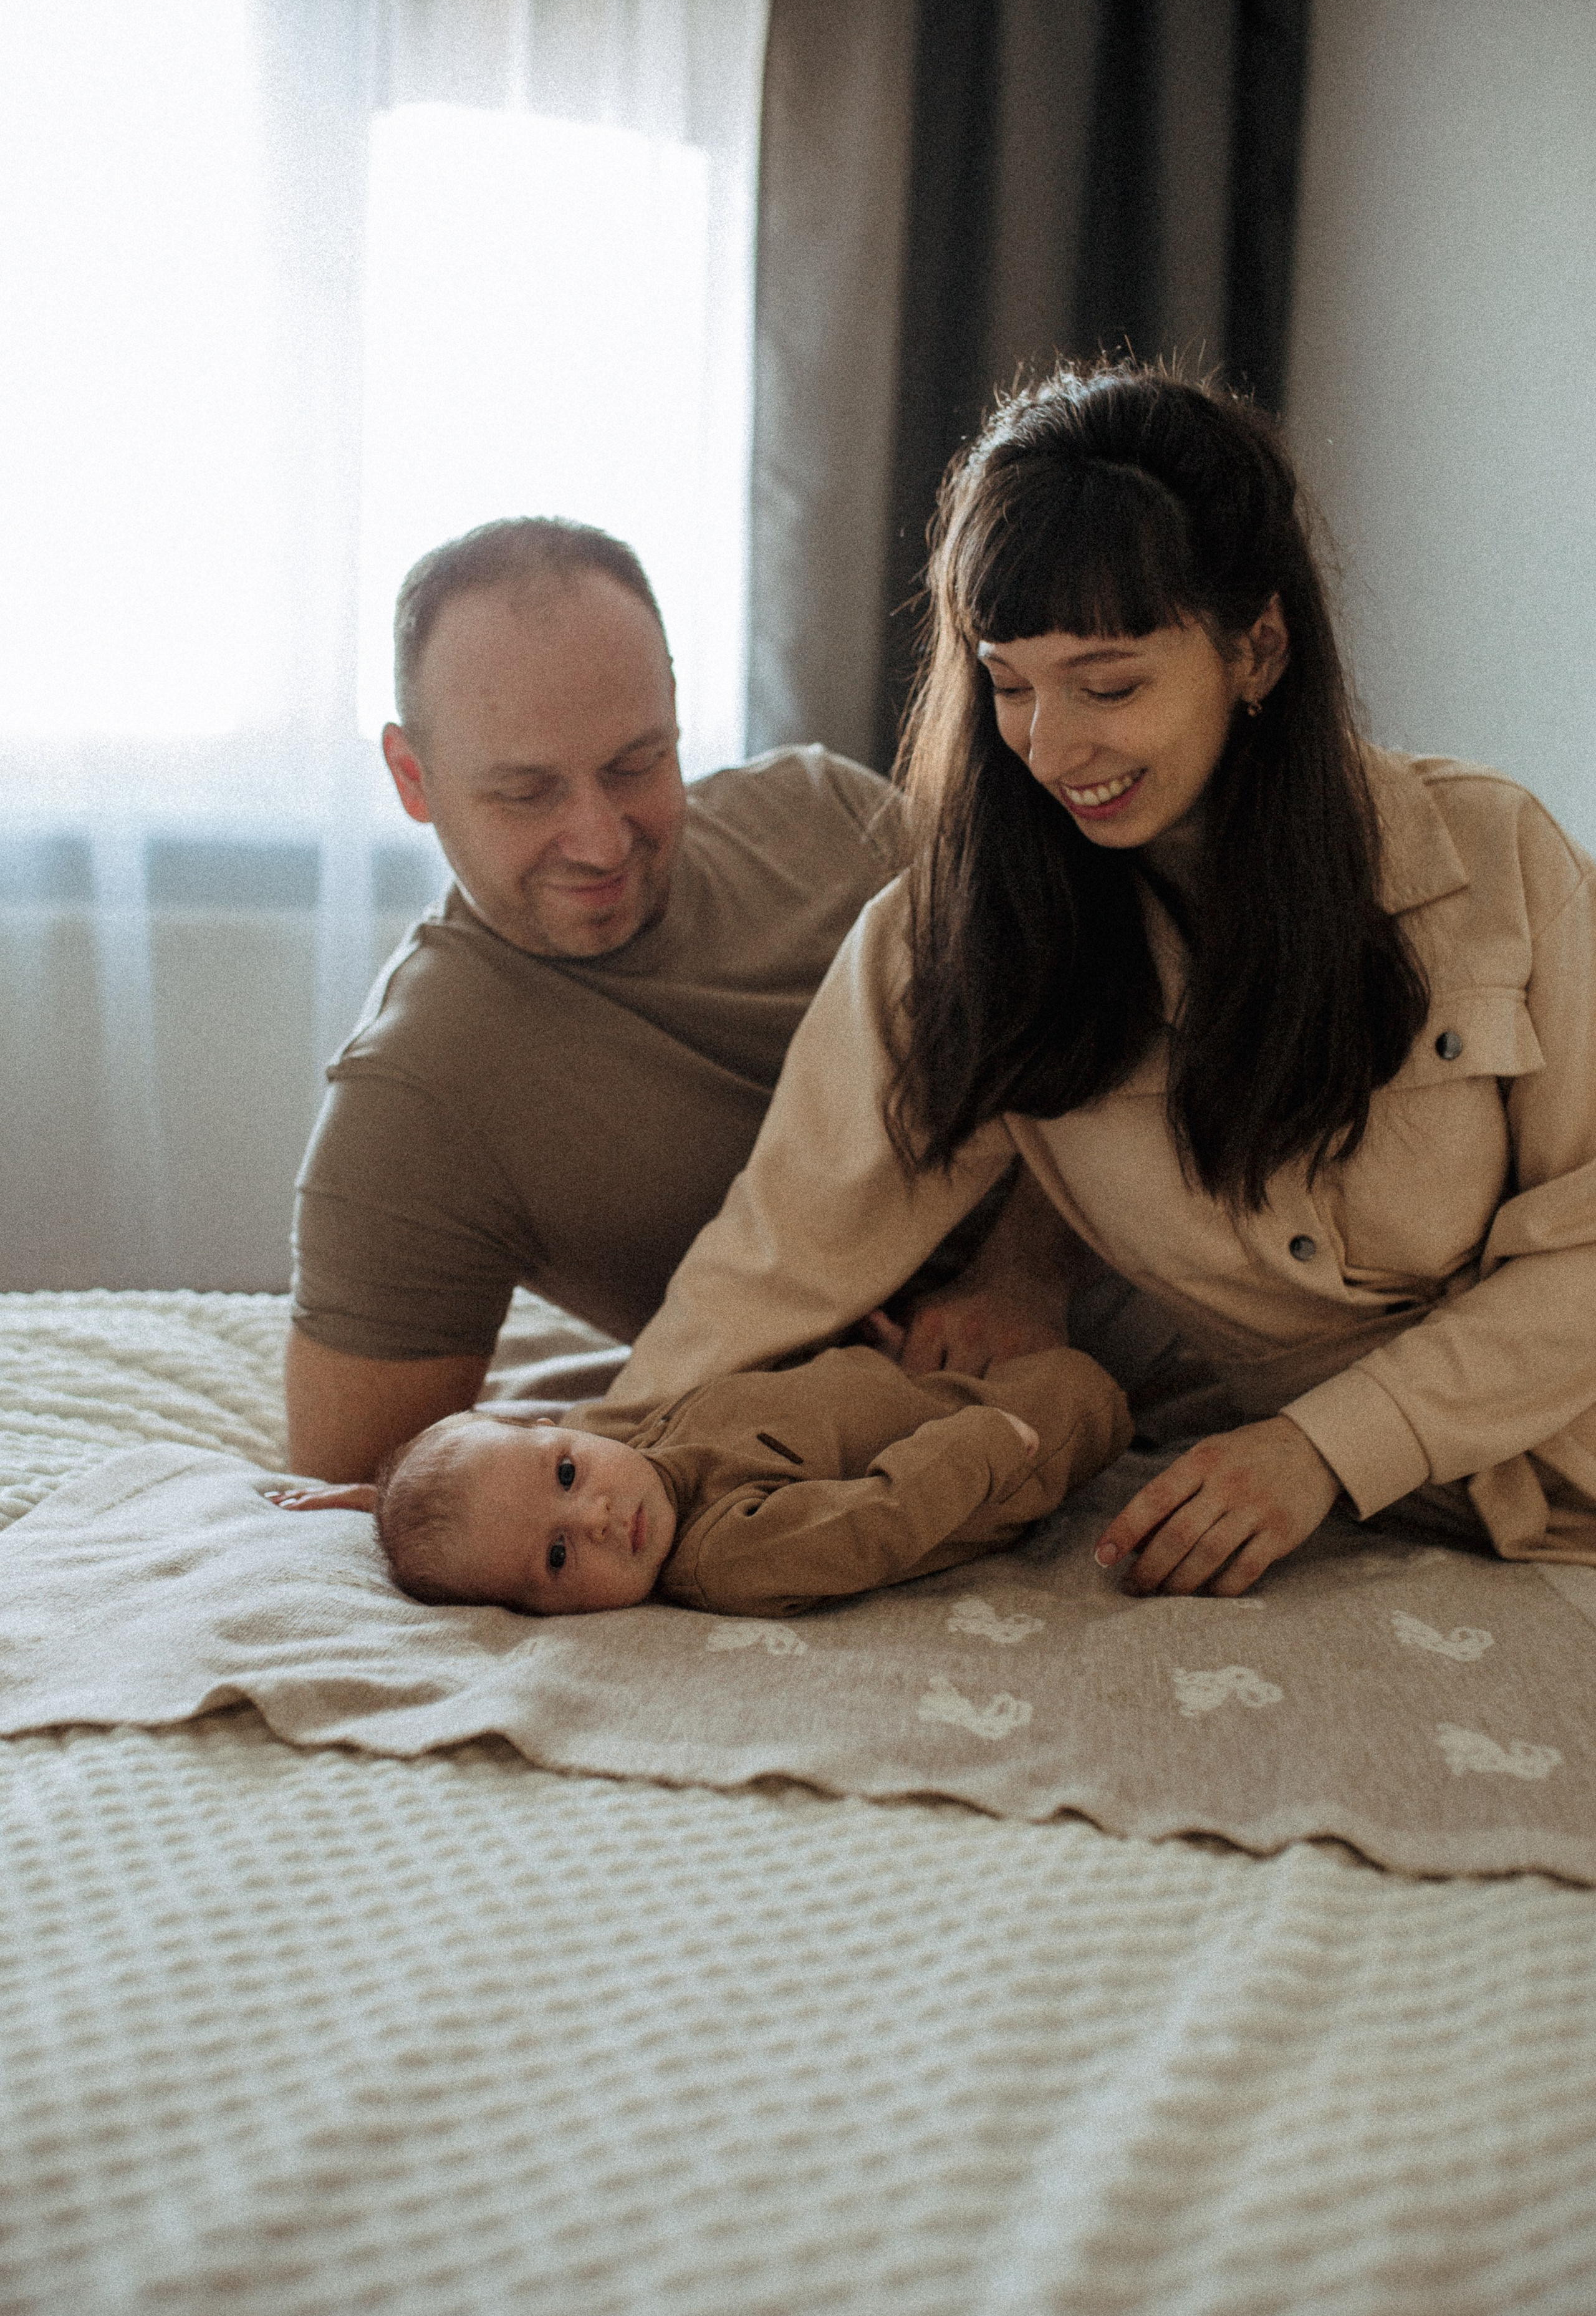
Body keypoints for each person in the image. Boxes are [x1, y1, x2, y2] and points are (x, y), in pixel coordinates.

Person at [587, 360, 1596, 1593]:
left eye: (1108, 685)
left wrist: (1318, 1451)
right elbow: (781, 1250)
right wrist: (578, 1459)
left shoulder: (1493, 861)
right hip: (1401, 1517)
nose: (1050, 749)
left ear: (1258, 649)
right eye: (1008, 686)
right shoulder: (956, 942)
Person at [289, 514, 1047, 1484]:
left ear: (676, 706)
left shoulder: (826, 814)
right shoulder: (415, 1098)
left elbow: (1103, 1026)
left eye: (635, 763)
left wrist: (1028, 1270)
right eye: (527, 792)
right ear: (412, 777)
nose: (601, 840)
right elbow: (358, 1488)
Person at [270, 1337, 1132, 1618]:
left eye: (567, 1473)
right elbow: (882, 1518)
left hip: (926, 1378)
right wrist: (986, 1442)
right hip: (1015, 1445)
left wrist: (381, 1495)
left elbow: (496, 1493)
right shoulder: (729, 1552)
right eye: (560, 1559)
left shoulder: (640, 1451)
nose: (600, 1516)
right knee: (1100, 1382)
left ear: (558, 1430)